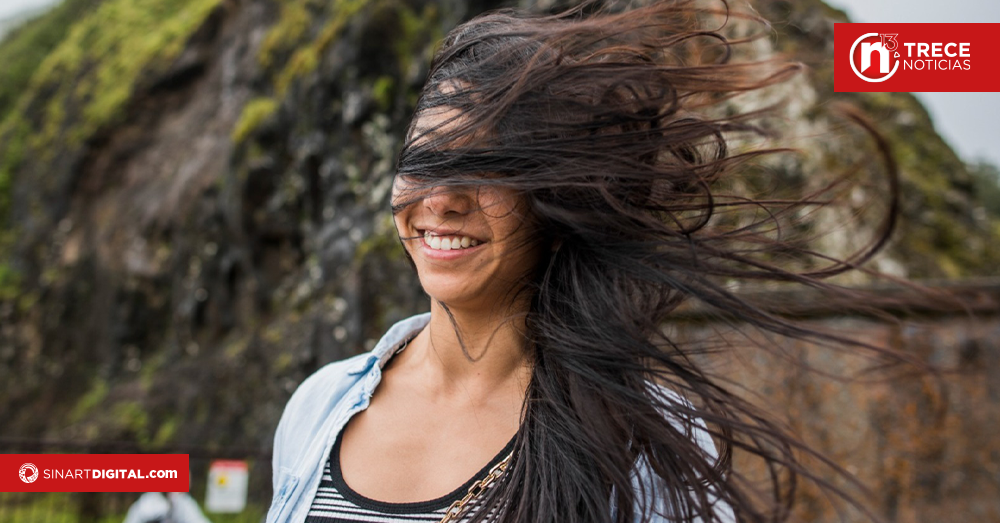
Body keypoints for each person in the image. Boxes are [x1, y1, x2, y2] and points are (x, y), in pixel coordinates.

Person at [267, 1, 919, 522]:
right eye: (425, 160)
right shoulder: (322, 406)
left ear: (558, 203)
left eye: (491, 168)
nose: (441, 200)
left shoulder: (644, 437)